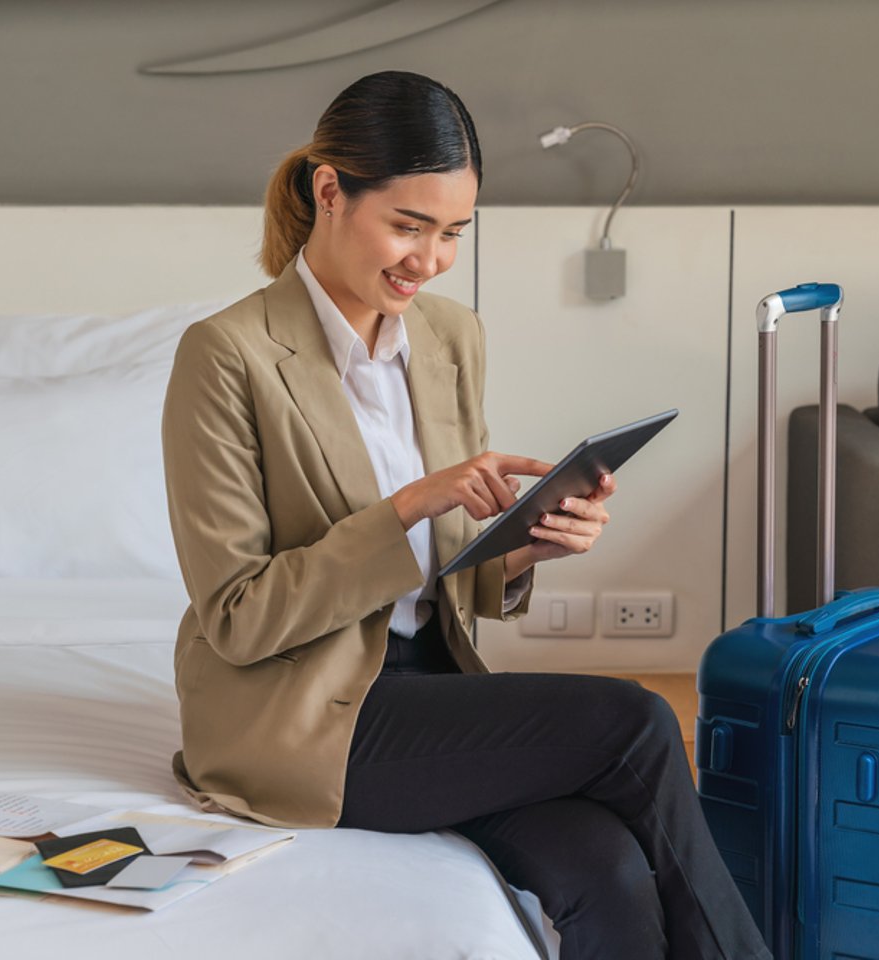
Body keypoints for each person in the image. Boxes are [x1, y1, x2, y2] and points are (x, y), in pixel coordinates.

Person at [161, 70, 770, 960]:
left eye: (451, 233)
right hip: (305, 711)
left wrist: (528, 548)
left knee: (608, 871)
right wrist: (409, 503)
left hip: (436, 689)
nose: (429, 258)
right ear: (330, 190)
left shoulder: (449, 336)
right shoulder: (226, 356)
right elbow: (240, 617)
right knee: (634, 723)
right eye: (407, 226)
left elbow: (453, 573)